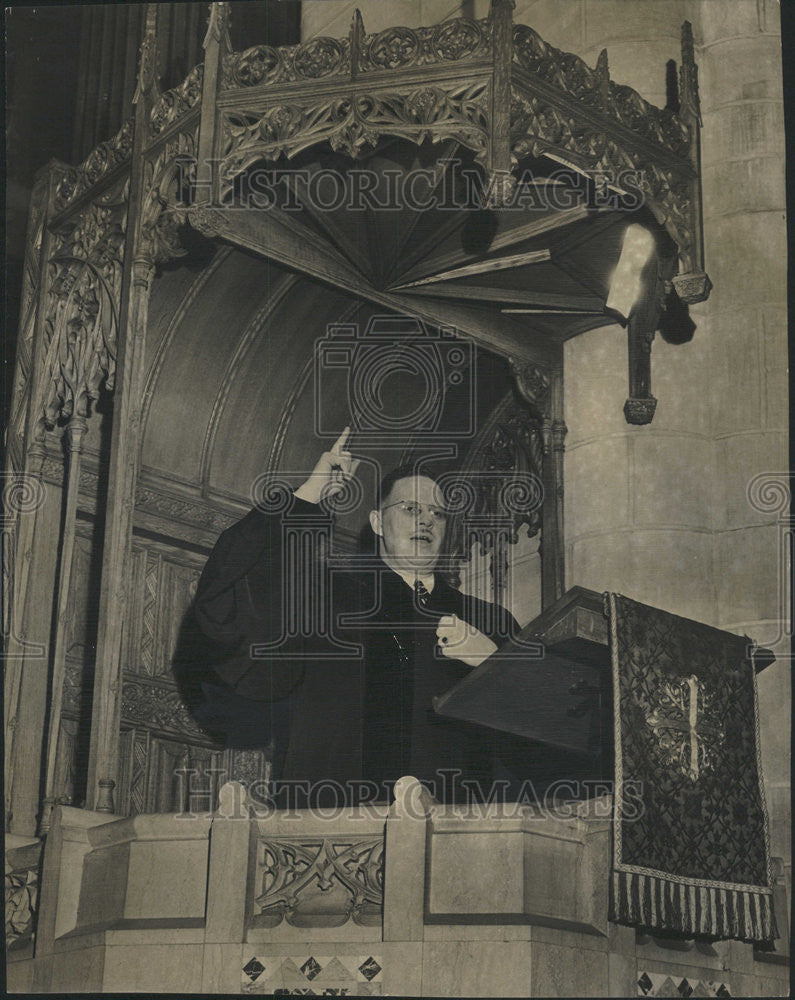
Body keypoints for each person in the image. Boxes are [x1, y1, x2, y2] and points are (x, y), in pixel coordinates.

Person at [192, 428, 519, 804]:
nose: (426, 521)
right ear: (378, 522)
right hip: (329, 837)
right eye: (411, 509)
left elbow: (554, 731)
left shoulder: (487, 622)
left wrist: (495, 664)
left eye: (438, 514)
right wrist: (308, 495)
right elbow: (225, 591)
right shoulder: (325, 601)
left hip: (451, 841)